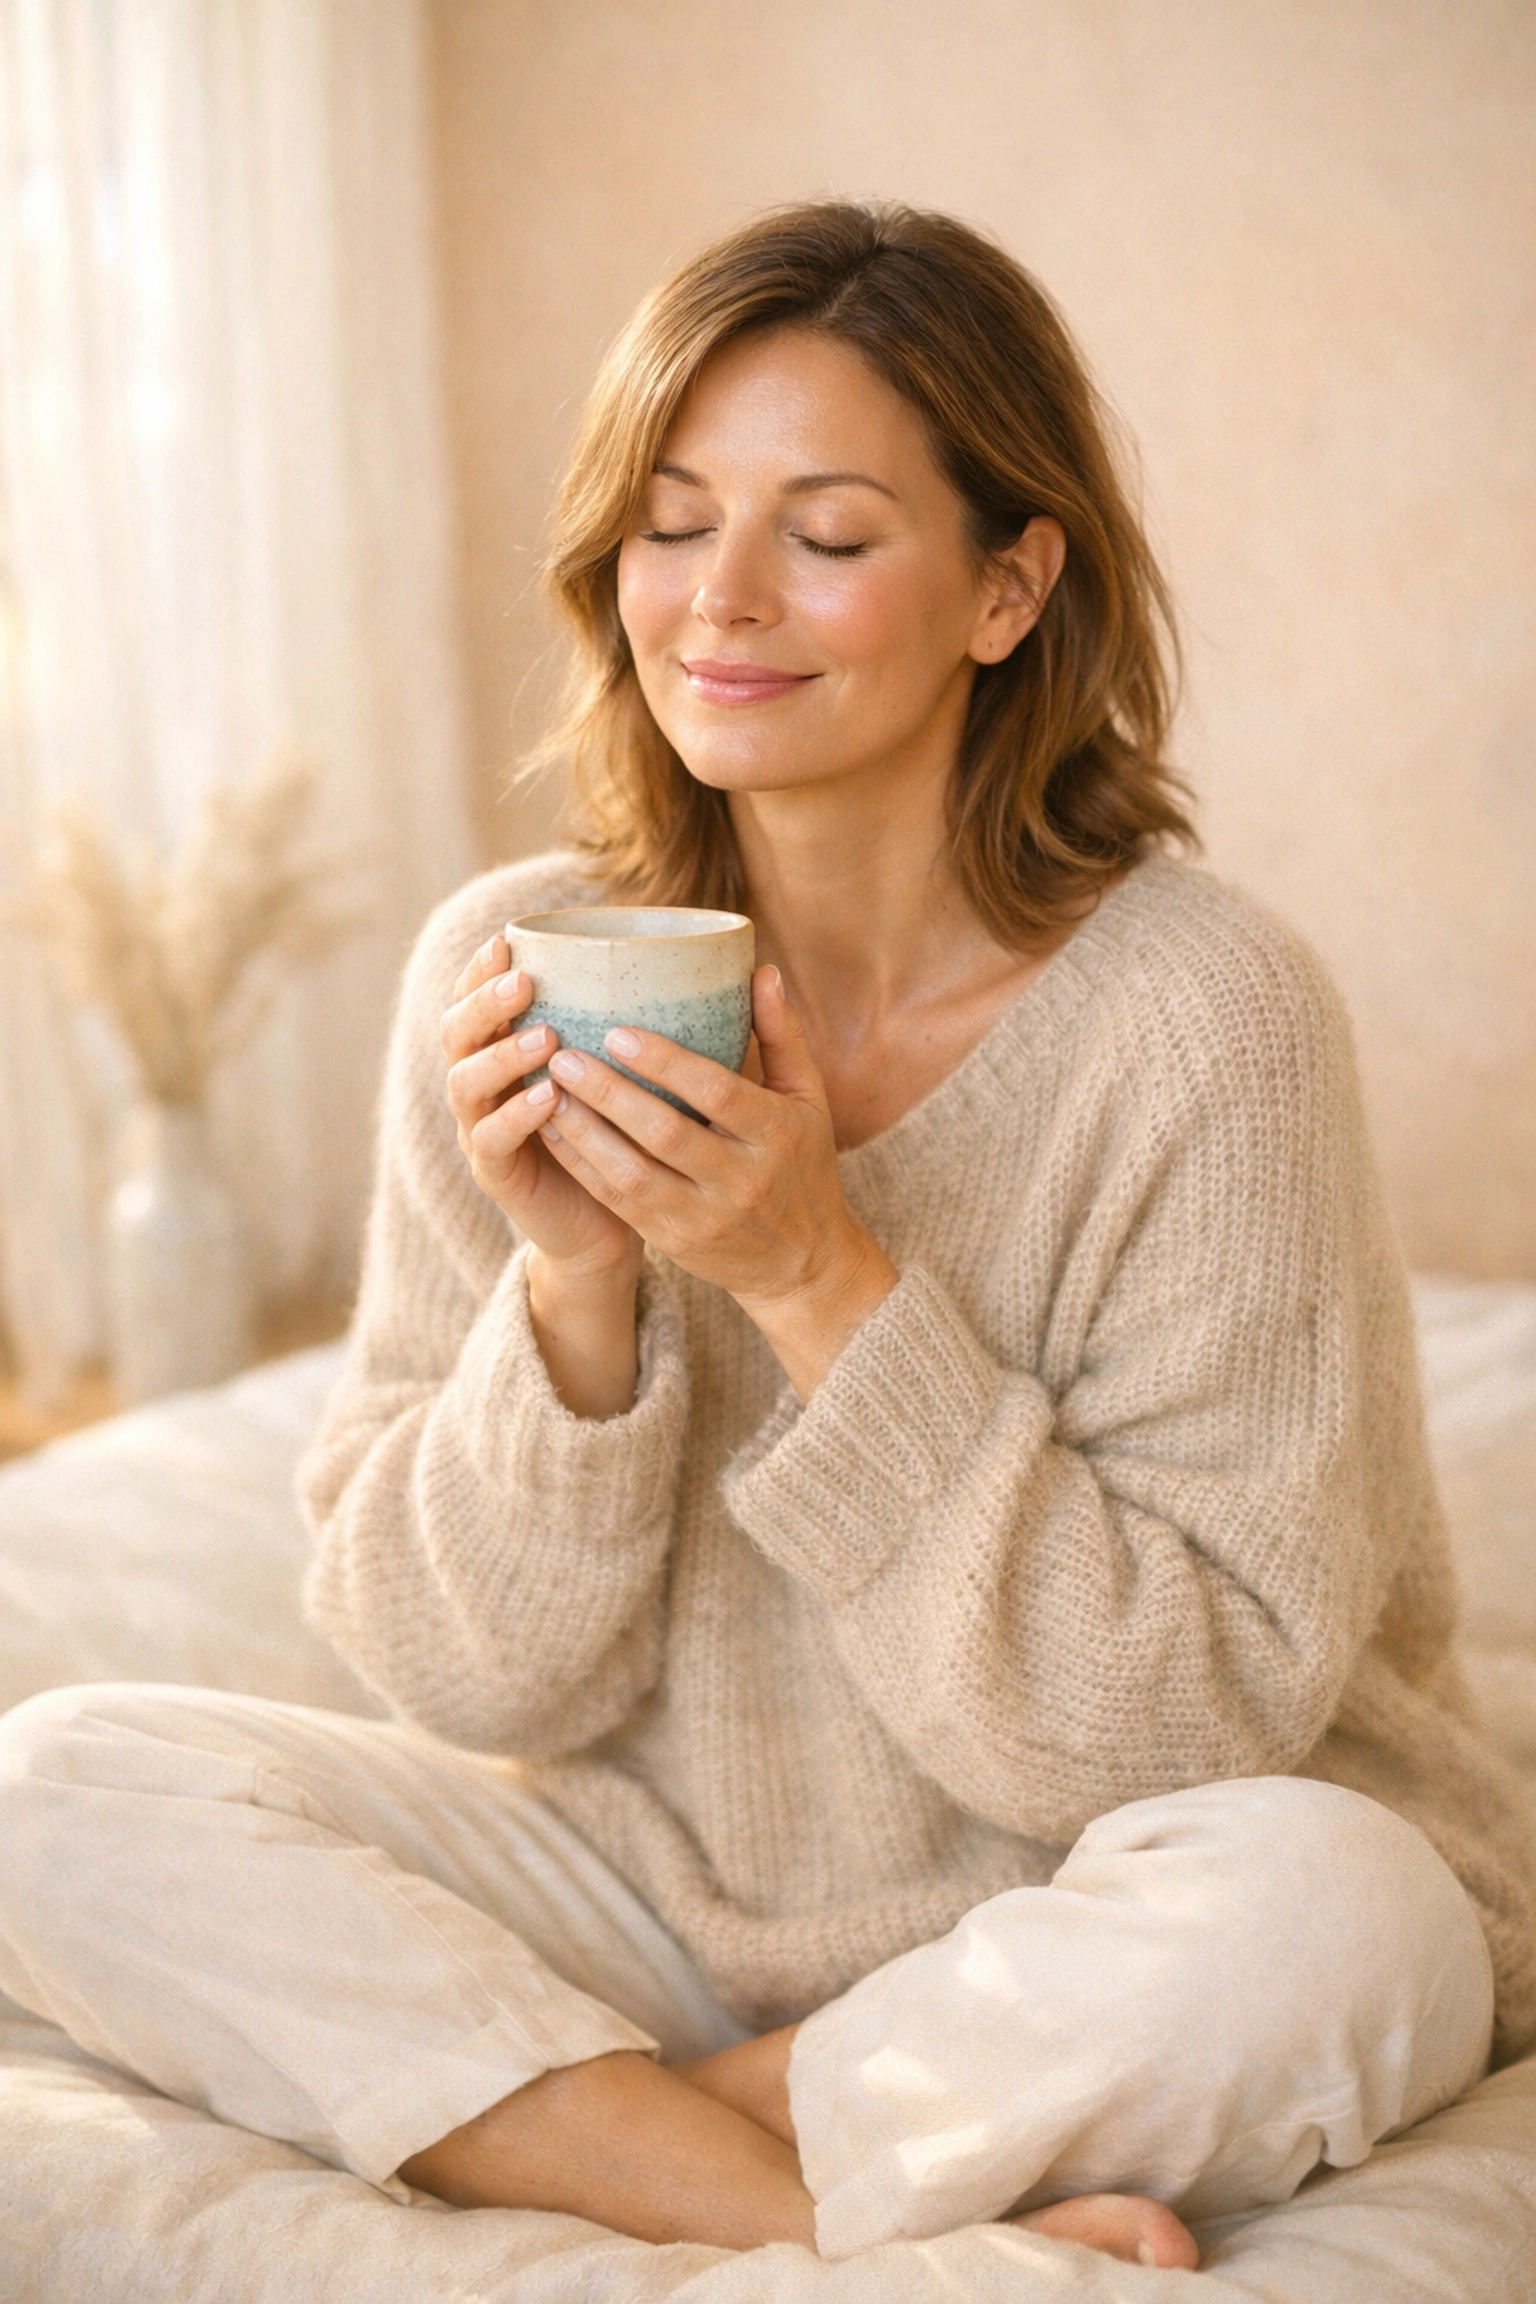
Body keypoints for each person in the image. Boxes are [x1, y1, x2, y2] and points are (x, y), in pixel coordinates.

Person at [1, 200, 1533, 2277]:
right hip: (647, 1894)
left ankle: (574, 2116)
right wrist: (574, 1293)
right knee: (53, 1788)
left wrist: (818, 1277)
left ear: (1009, 587)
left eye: (825, 534)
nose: (719, 598)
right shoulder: (509, 967)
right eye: (670, 523)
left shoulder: (1205, 1019)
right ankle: (767, 2176)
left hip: (1076, 1898)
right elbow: (459, 1675)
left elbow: (1172, 1731)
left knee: (1345, 1923)